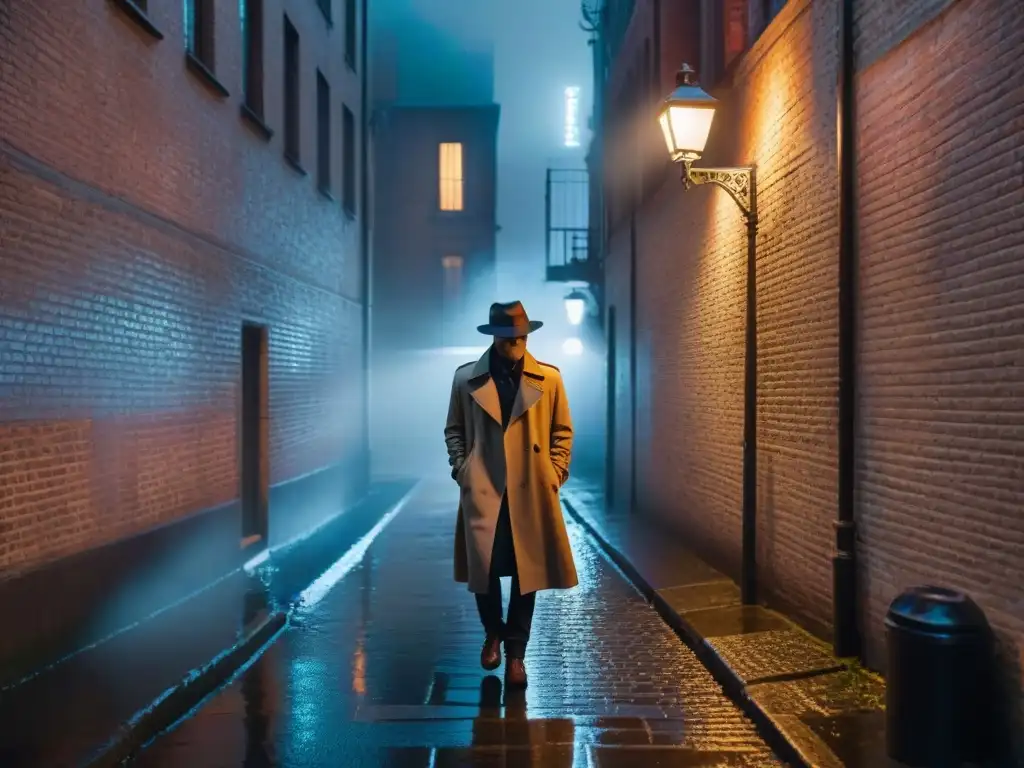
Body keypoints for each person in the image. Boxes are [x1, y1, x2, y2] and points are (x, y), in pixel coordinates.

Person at [444, 300, 579, 688]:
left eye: (521, 337)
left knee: (527, 573)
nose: (516, 344)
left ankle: (516, 655)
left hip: (530, 490)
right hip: (485, 487)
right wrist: (463, 469)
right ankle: (492, 633)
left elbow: (562, 431)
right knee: (483, 571)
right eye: (509, 339)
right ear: (496, 339)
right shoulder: (466, 379)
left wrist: (554, 473)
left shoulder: (548, 379)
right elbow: (454, 429)